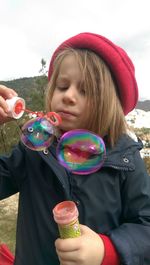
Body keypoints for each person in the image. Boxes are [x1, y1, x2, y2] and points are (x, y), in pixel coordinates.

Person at [0, 32, 150, 265]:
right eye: (62, 86)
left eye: (86, 90)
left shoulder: (126, 160)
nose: (68, 95)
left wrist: (107, 250)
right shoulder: (34, 151)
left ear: (110, 104)